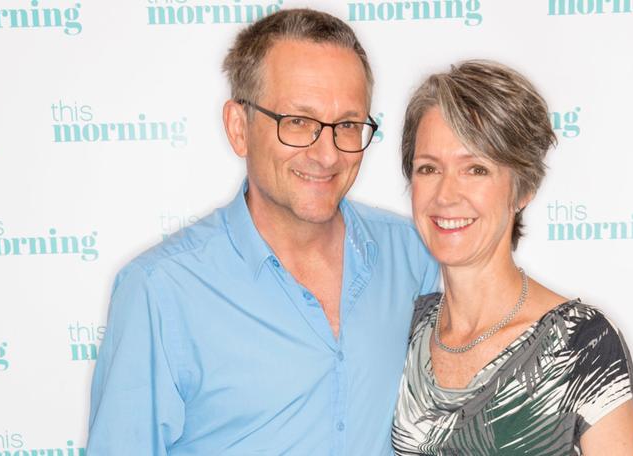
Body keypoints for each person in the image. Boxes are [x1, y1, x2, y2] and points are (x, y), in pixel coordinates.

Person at [86, 9, 438, 455]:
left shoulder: (414, 255)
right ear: (238, 127)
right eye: (298, 122)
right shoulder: (161, 292)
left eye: (347, 125)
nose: (326, 154)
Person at [391, 60, 633, 455]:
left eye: (475, 169)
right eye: (428, 169)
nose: (445, 195)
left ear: (523, 189)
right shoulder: (405, 331)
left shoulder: (580, 342)